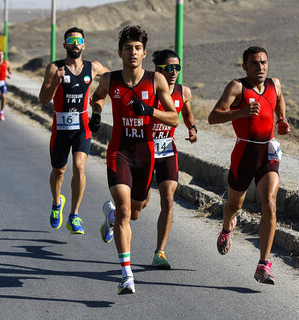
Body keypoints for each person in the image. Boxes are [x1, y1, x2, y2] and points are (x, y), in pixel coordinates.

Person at [91, 25, 179, 294]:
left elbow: (174, 117)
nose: (133, 52)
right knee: (126, 211)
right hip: (120, 152)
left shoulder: (156, 81)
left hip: (146, 153)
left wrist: (150, 111)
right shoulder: (109, 79)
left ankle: (111, 216)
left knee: (136, 211)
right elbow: (97, 98)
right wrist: (96, 114)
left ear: (144, 53)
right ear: (120, 52)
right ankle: (126, 274)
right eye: (128, 47)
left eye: (138, 48)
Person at [207, 46, 290, 285]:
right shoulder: (237, 87)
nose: (260, 67)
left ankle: (263, 264)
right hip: (244, 153)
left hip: (268, 152)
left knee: (270, 204)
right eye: (254, 63)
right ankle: (226, 228)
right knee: (234, 204)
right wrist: (240, 112)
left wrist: (282, 118)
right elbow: (213, 117)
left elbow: (279, 99)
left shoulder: (274, 84)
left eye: (263, 62)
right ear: (245, 66)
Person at [39, 27, 109, 235]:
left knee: (79, 166)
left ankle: (74, 215)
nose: (75, 44)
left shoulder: (93, 67)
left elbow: (110, 84)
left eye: (79, 41)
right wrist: (56, 83)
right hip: (60, 128)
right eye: (71, 40)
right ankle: (56, 202)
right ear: (65, 45)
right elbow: (43, 99)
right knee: (58, 171)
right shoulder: (54, 68)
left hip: (82, 126)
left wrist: (97, 108)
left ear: (84, 45)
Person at [139, 49, 197, 269]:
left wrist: (192, 128)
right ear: (158, 69)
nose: (174, 72)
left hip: (167, 149)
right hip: (144, 149)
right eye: (169, 68)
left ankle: (159, 252)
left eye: (177, 68)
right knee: (139, 204)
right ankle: (116, 213)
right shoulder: (149, 89)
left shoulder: (184, 92)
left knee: (169, 198)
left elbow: (187, 112)